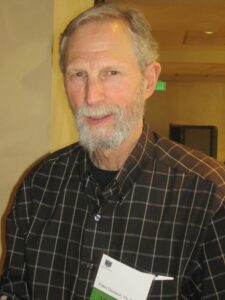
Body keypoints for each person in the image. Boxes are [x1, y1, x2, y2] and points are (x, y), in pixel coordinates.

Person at [0, 3, 225, 299]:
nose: (92, 96)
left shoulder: (208, 196)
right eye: (78, 74)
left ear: (148, 81)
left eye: (111, 72)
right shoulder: (38, 186)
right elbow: (14, 289)